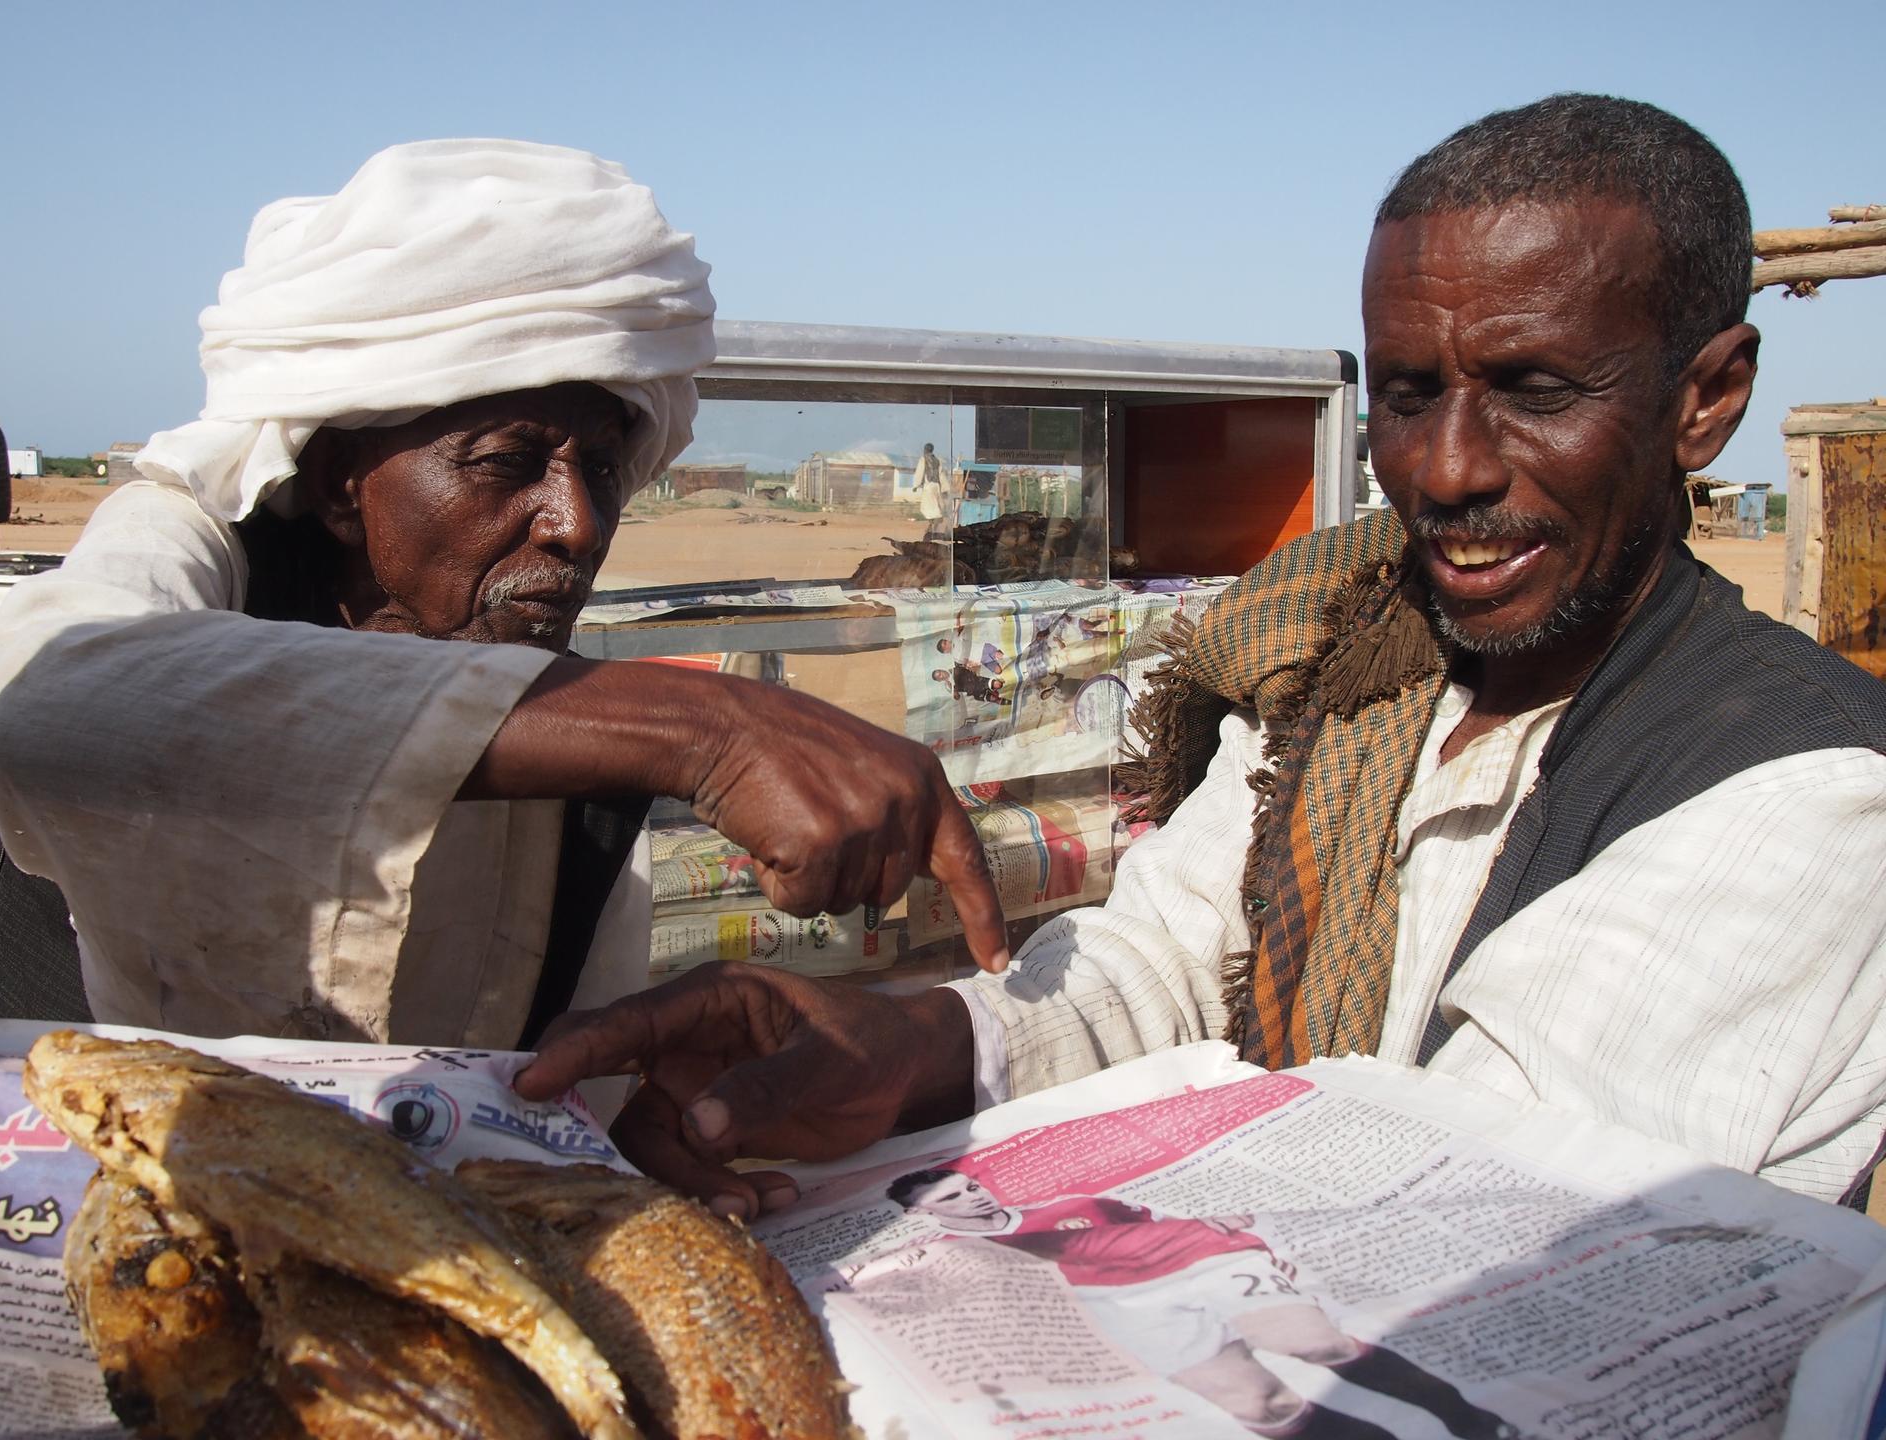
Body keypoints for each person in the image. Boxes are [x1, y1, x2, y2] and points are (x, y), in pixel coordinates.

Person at [517, 94, 1886, 1216]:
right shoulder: (1347, 673)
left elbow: (1460, 1209)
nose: (1449, 470)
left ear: (1705, 401)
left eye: (1535, 393)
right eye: (1408, 397)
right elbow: (1160, 972)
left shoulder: (1797, 789)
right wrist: (916, 1046)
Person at [0, 141, 1009, 1071]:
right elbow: (61, 704)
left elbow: (550, 1064)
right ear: (340, 478)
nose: (577, 524)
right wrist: (708, 730)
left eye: (602, 471)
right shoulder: (192, 538)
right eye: (509, 463)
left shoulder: (558, 709)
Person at [888, 1169, 1517, 1439]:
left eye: (971, 1185)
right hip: (1122, 1308)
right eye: (952, 1198)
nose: (973, 1199)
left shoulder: (1070, 1204)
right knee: (1261, 1401)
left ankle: (1472, 1420)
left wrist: (1231, 1226)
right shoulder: (952, 1257)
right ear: (925, 1216)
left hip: (1194, 1259)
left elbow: (1161, 1215)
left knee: (1313, 1342)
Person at [916, 442, 949, 540]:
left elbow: (920, 472)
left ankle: (930, 529)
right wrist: (945, 488)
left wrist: (916, 484)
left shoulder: (923, 459)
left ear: (925, 449)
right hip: (937, 486)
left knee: (928, 508)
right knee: (936, 507)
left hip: (929, 486)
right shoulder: (937, 460)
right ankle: (932, 528)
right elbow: (941, 475)